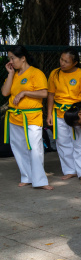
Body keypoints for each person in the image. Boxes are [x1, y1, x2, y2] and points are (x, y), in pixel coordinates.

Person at [1, 45, 53, 190]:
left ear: (23, 58)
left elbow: (44, 93)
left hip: (32, 116)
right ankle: (27, 177)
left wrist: (25, 92)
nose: (10, 61)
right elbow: (5, 93)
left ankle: (40, 181)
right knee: (19, 148)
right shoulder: (14, 75)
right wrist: (10, 73)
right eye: (9, 58)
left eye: (13, 58)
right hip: (14, 117)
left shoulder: (36, 73)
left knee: (35, 148)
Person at [47, 48, 81, 185]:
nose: (63, 63)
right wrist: (49, 114)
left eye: (67, 61)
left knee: (80, 143)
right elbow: (51, 95)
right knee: (63, 143)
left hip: (75, 114)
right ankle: (70, 170)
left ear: (75, 63)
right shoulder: (55, 73)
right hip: (58, 112)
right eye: (61, 59)